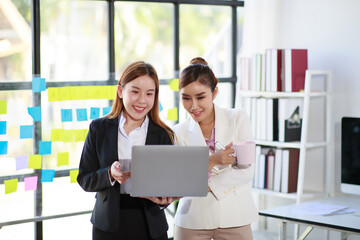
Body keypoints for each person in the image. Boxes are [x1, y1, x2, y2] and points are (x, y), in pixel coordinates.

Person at [77, 61, 178, 240]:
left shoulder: (164, 134)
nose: (142, 100)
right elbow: (85, 179)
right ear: (120, 91)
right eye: (135, 91)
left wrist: (165, 199)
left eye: (149, 94)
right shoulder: (99, 128)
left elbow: (168, 184)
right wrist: (109, 174)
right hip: (108, 225)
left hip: (150, 225)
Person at [172, 57, 258, 240]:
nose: (193, 106)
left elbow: (248, 170)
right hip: (192, 219)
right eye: (186, 98)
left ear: (215, 92)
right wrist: (212, 161)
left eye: (200, 97)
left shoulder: (237, 118)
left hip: (235, 215)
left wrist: (203, 183)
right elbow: (180, 181)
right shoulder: (177, 133)